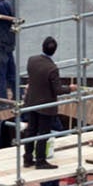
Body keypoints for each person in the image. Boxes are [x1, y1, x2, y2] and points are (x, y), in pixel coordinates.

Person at [20, 36, 64, 169]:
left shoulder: (32, 60)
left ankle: (27, 159)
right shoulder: (52, 68)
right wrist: (71, 88)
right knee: (43, 133)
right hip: (45, 106)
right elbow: (58, 90)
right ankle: (40, 160)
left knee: (31, 130)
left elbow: (34, 78)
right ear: (54, 51)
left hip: (32, 102)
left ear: (42, 47)